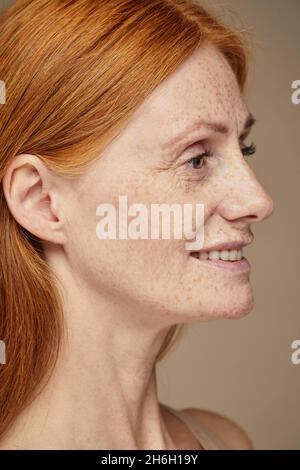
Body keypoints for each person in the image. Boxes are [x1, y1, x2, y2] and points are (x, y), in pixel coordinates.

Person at [0, 0, 273, 449]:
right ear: (43, 202)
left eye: (244, 149)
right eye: (197, 157)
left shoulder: (226, 441)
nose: (258, 201)